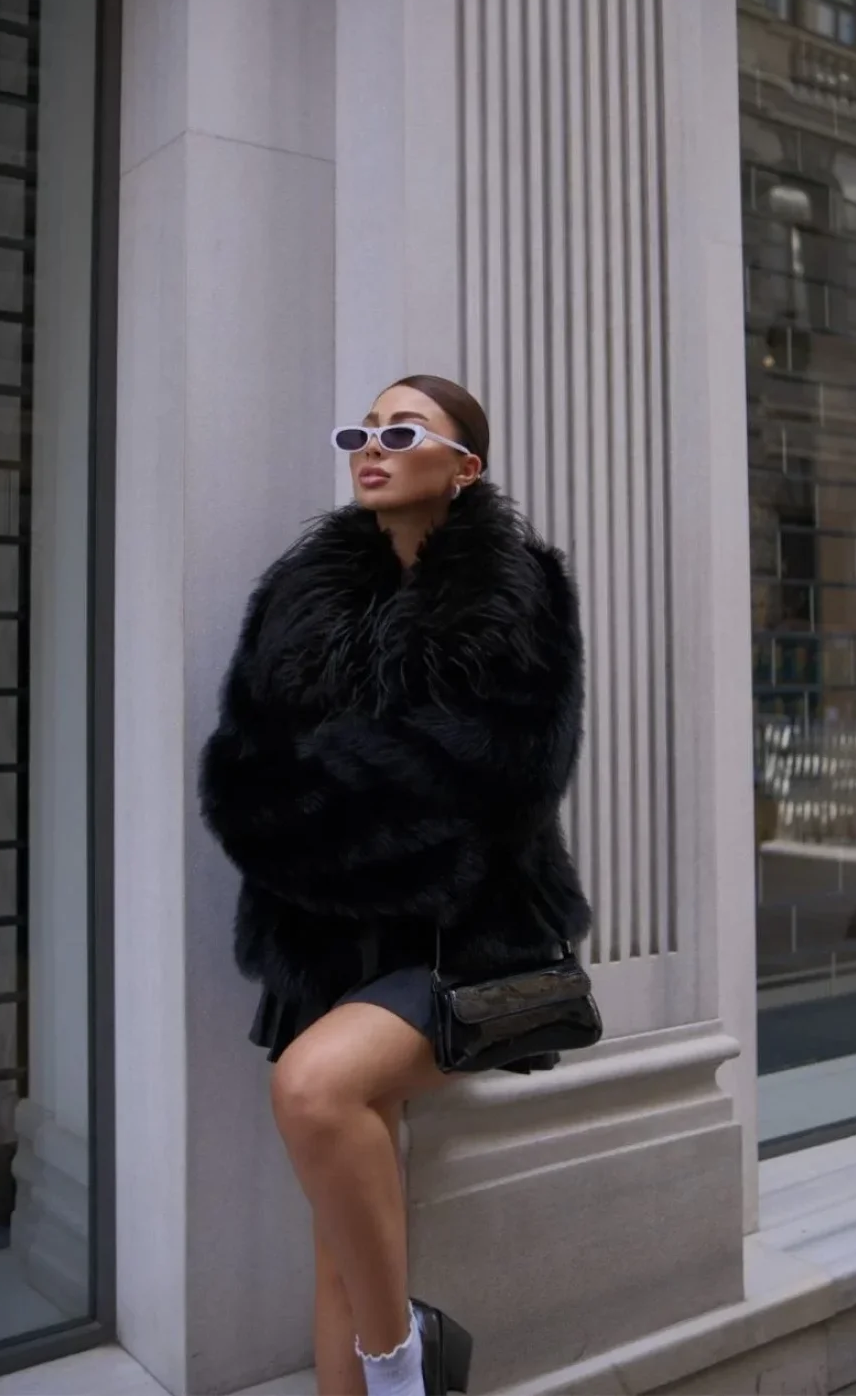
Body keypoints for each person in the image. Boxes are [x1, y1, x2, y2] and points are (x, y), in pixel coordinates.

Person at [200, 375, 589, 1396]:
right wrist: (368, 805)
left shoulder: (515, 593)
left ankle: (400, 1351)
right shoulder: (298, 598)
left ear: (464, 466)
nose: (371, 446)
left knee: (313, 1087)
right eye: (361, 431)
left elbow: (507, 780)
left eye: (402, 431)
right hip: (323, 943)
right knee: (341, 1242)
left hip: (464, 940)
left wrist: (336, 804)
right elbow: (243, 780)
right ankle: (387, 1364)